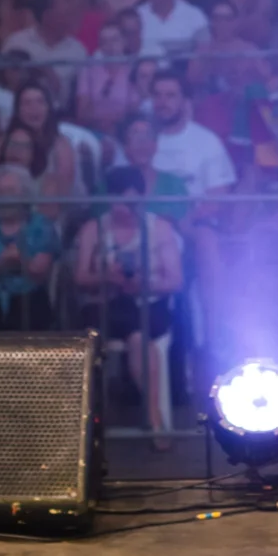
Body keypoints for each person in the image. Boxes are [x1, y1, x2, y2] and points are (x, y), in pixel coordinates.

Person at [70, 164, 184, 439]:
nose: (126, 206)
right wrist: (106, 277)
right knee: (134, 333)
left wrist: (143, 284)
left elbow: (175, 281)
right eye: (120, 198)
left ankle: (154, 416)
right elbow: (79, 277)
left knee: (137, 333)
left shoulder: (159, 228)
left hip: (150, 305)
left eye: (132, 199)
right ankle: (155, 419)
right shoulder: (93, 229)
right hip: (105, 306)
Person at [0, 163, 60, 329]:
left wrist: (21, 260)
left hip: (28, 298)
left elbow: (40, 271)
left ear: (24, 195)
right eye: (0, 192)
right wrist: (2, 263)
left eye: (10, 191)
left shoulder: (41, 226)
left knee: (30, 309)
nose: (4, 198)